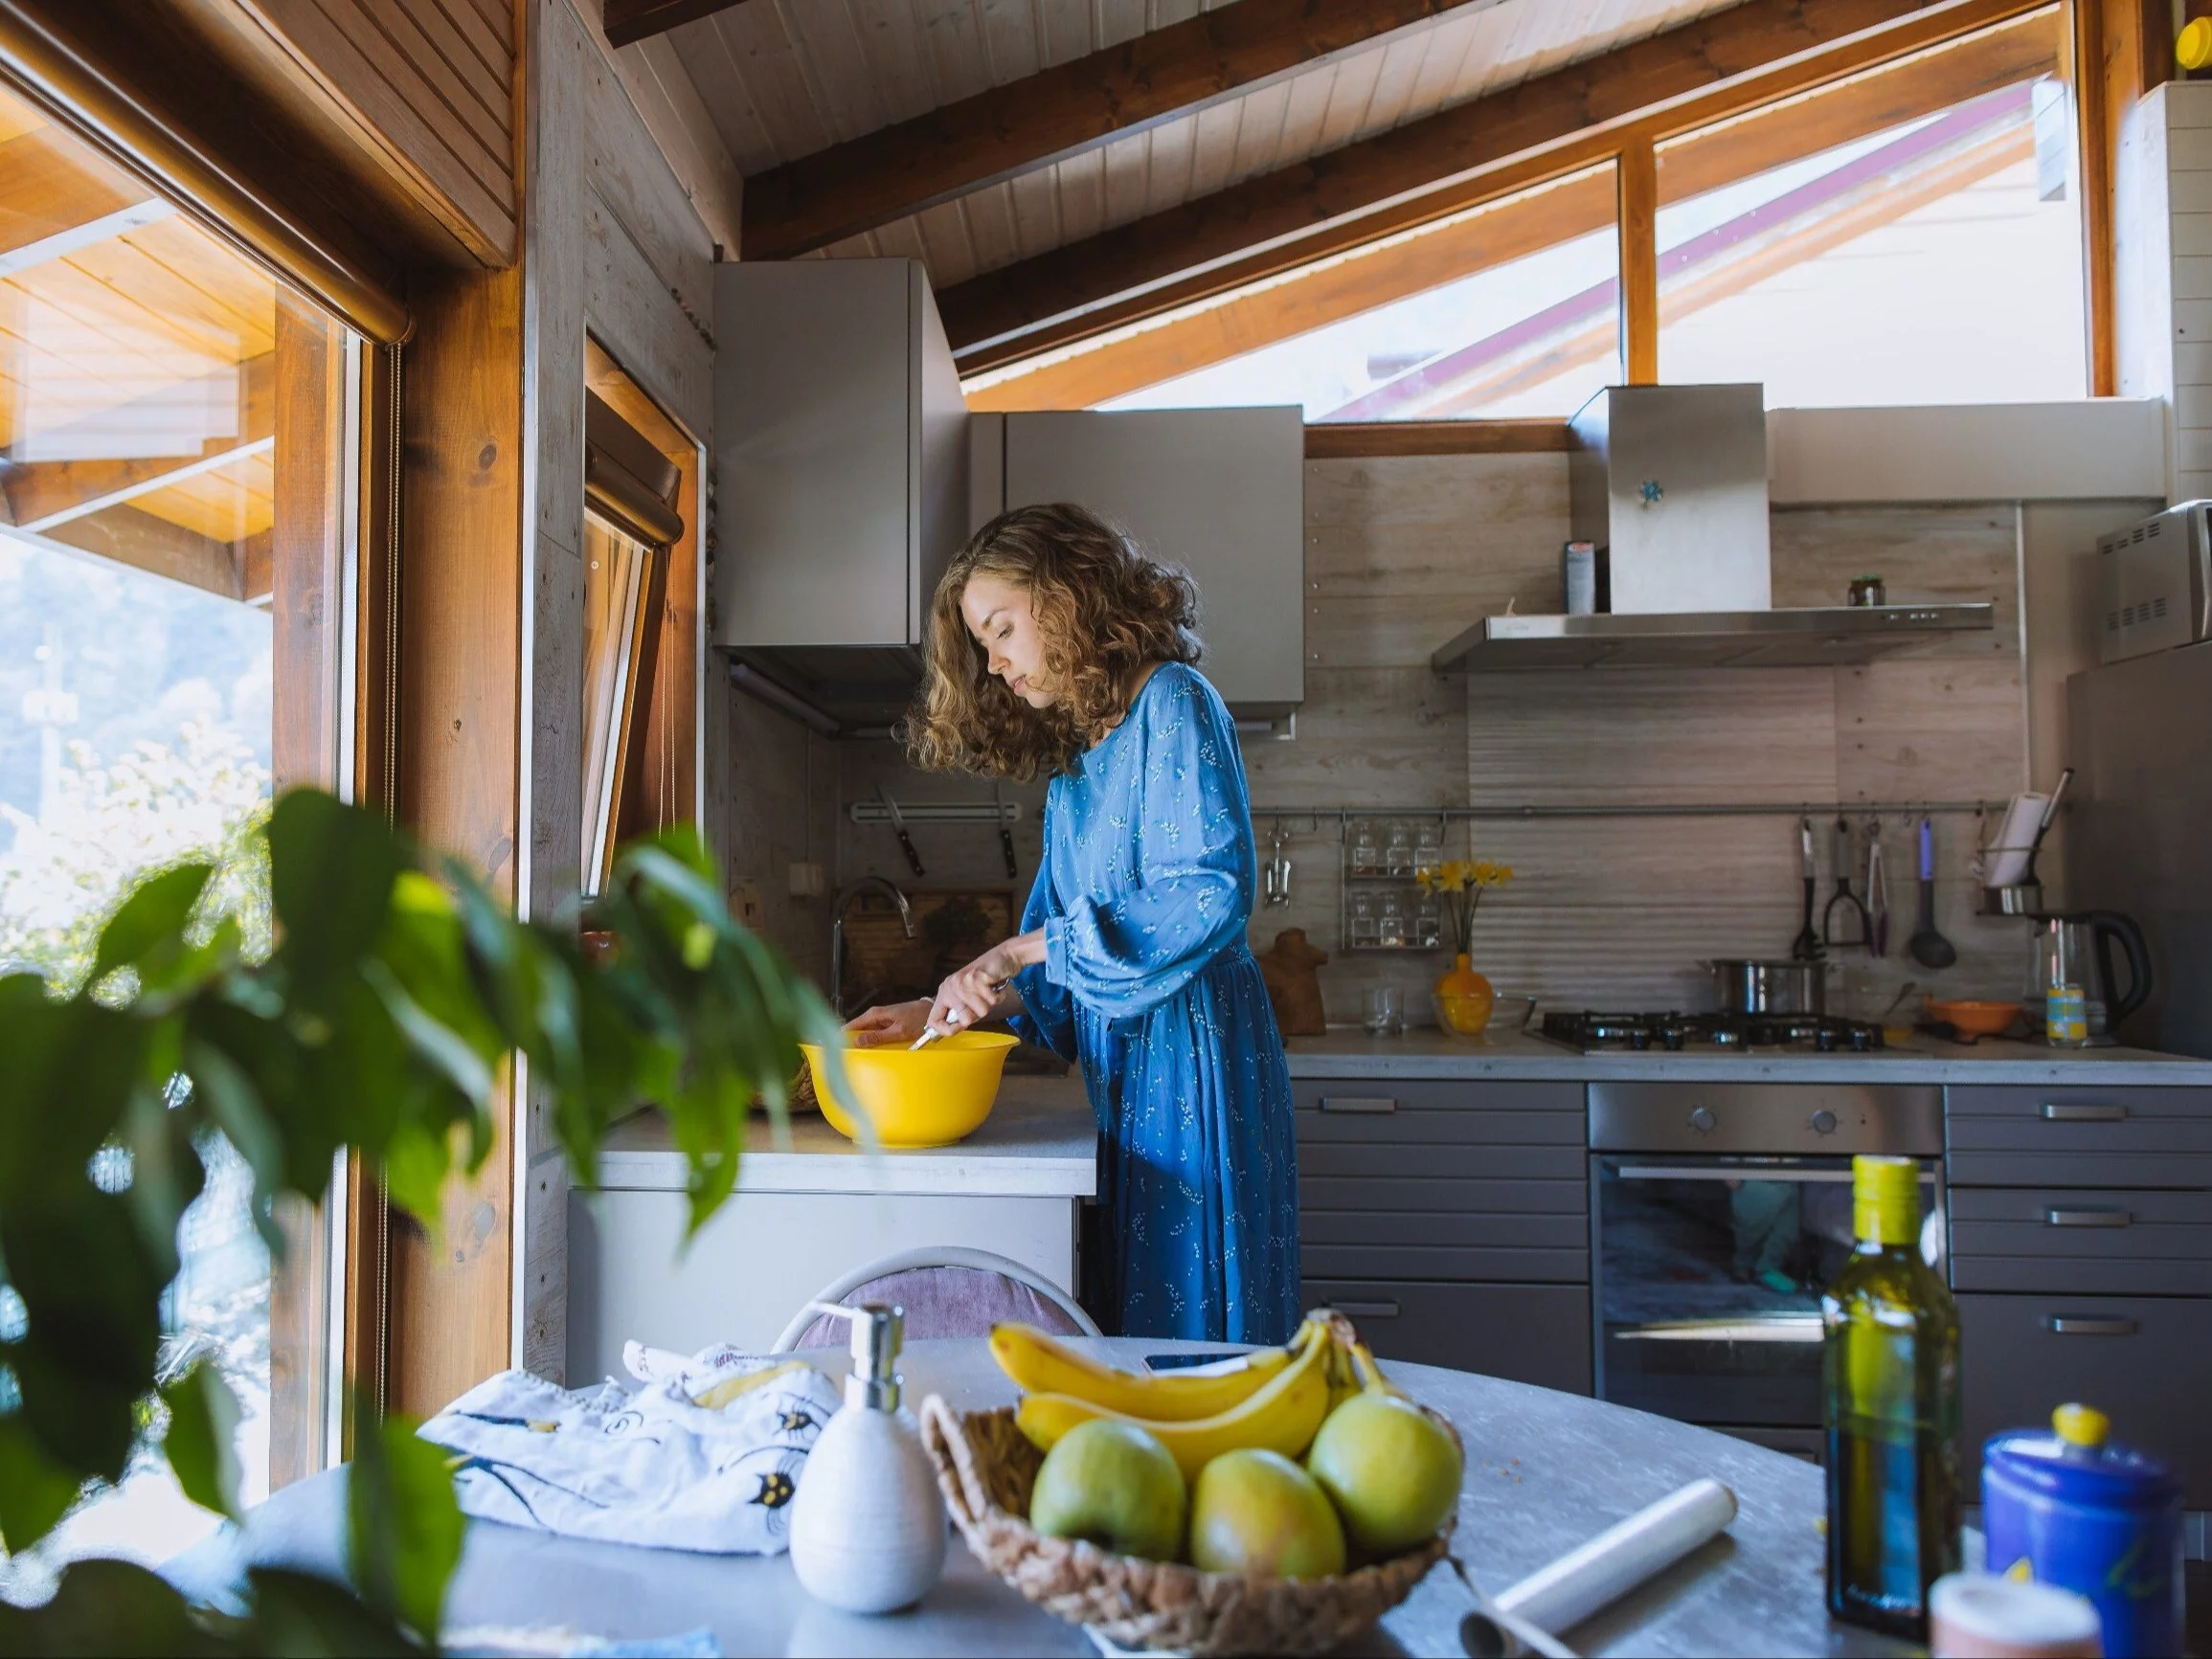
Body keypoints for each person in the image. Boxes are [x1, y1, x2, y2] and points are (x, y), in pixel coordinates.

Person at [843, 504, 1300, 1344]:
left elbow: (1209, 892)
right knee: (1139, 1313)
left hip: (1197, 1060)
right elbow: (1059, 965)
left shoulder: (1176, 701)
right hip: (1129, 1073)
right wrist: (940, 1009)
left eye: (1003, 628)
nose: (996, 662)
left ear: (1070, 594)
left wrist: (1013, 946)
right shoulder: (1077, 767)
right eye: (983, 645)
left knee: (1200, 1313)